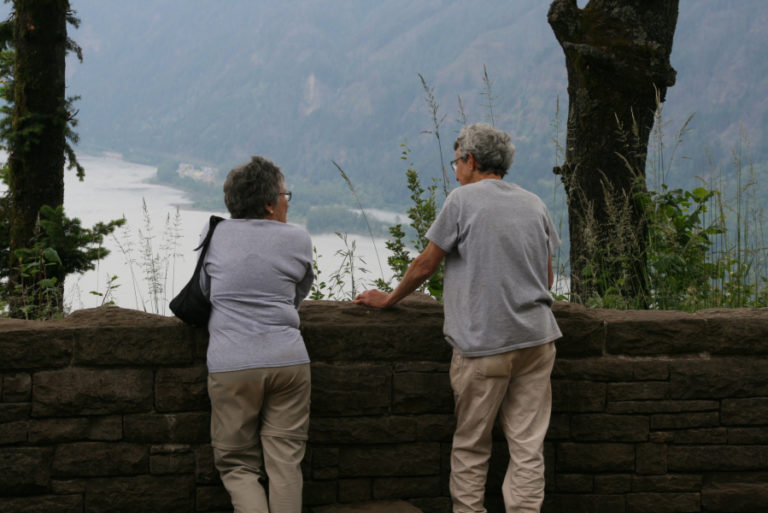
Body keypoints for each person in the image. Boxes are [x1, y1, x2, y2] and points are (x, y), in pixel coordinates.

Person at [354, 123, 562, 513]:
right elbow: (546, 277)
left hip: (484, 344)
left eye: (457, 162)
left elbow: (425, 264)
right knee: (528, 446)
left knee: (471, 444)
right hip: (537, 340)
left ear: (471, 160)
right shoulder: (535, 203)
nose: (455, 171)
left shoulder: (462, 200)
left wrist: (389, 300)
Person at [201, 155, 314, 513]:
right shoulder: (298, 238)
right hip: (289, 360)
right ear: (269, 203)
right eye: (285, 195)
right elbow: (299, 293)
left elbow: (206, 290)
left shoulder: (213, 233)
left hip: (231, 363)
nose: (287, 202)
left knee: (237, 464)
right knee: (285, 463)